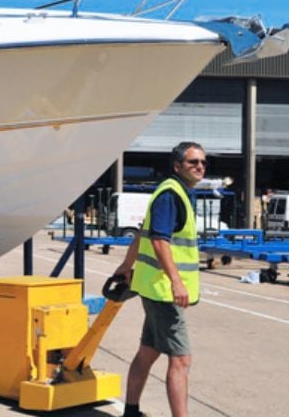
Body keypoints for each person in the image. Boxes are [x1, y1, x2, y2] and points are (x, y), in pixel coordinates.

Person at [114, 141, 205, 417]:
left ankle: (131, 411)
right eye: (193, 162)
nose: (199, 167)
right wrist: (176, 281)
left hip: (153, 287)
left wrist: (126, 266)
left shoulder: (176, 192)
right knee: (181, 360)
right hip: (164, 292)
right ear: (177, 166)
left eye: (202, 162)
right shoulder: (171, 195)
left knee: (148, 351)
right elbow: (158, 242)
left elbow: (142, 232)